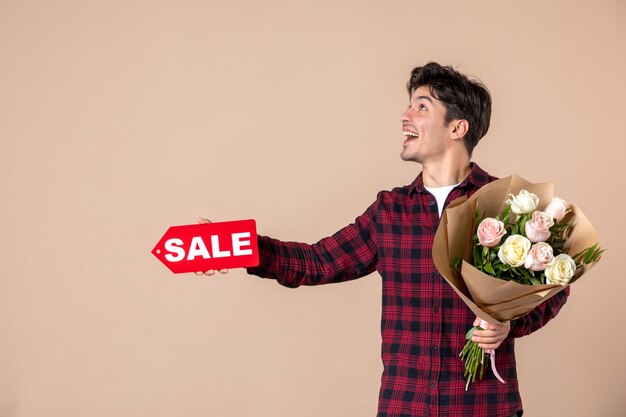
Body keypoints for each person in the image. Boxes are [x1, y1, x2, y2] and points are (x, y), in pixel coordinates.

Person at [198, 62, 569, 417]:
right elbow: (316, 262)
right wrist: (233, 247)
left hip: (485, 407)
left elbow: (554, 285)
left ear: (457, 128)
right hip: (404, 406)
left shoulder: (506, 205)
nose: (404, 117)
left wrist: (509, 325)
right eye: (408, 106)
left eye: (421, 107)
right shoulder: (389, 211)